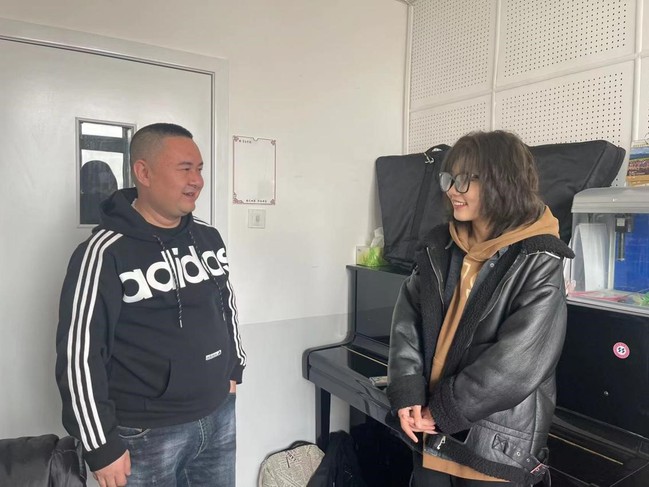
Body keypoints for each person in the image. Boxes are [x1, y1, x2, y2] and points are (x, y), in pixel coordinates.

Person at [56, 123, 246, 487]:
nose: (197, 181)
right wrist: (100, 446)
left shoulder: (207, 237)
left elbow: (226, 305)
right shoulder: (103, 253)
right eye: (184, 169)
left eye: (199, 169)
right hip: (146, 434)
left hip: (218, 414)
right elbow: (79, 355)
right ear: (143, 173)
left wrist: (233, 368)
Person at [386, 130, 573, 486]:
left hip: (493, 443)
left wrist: (443, 411)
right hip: (431, 428)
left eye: (464, 180)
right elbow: (407, 318)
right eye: (449, 179)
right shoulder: (440, 244)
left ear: (502, 182)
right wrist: (406, 388)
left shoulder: (539, 257)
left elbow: (517, 363)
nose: (451, 190)